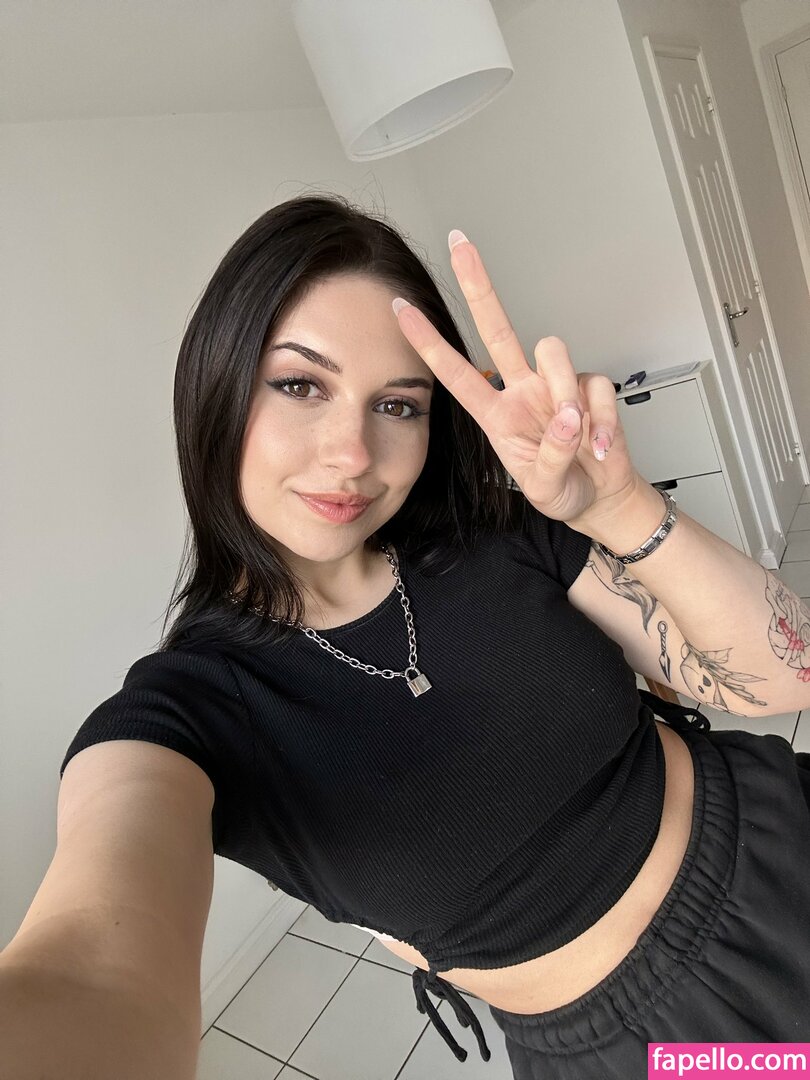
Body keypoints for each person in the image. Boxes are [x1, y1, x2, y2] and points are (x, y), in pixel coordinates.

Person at [5, 194, 810, 1079]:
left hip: (779, 824)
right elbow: (92, 970)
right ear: (215, 388)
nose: (353, 453)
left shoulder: (488, 529)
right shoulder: (189, 711)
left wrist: (619, 507)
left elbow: (782, 679)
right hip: (664, 1046)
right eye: (300, 385)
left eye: (397, 405)